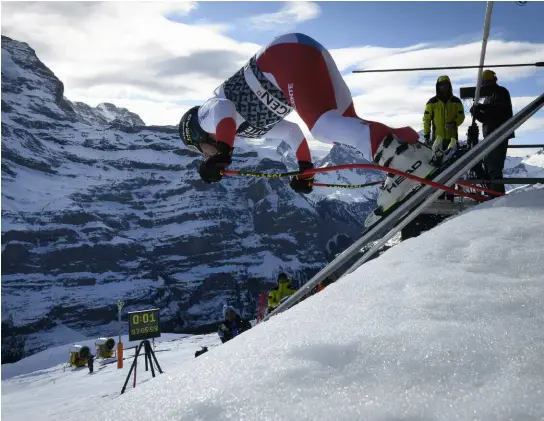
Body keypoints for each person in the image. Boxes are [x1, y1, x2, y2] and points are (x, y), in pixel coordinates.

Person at [178, 32, 443, 222]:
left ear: (197, 135)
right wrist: (306, 170)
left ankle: (403, 161)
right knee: (345, 126)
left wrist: (223, 151)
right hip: (300, 50)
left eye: (198, 150)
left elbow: (224, 111)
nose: (204, 155)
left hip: (283, 57)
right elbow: (292, 133)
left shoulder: (205, 116)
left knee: (324, 127)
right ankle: (411, 148)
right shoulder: (247, 129)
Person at [471, 69, 514, 195]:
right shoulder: (489, 96)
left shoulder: (501, 92)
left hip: (499, 135)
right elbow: (487, 118)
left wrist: (480, 108)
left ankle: (496, 195)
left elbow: (497, 112)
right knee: (490, 165)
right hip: (491, 135)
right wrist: (477, 113)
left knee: (494, 166)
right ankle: (493, 194)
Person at [423, 75, 465, 167]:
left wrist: (454, 123)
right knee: (436, 166)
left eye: (446, 84)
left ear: (449, 85)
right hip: (437, 140)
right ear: (438, 86)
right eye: (441, 84)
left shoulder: (456, 101)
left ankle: (451, 181)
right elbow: (426, 119)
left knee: (452, 166)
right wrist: (426, 135)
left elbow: (461, 116)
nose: (444, 86)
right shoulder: (432, 102)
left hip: (452, 139)